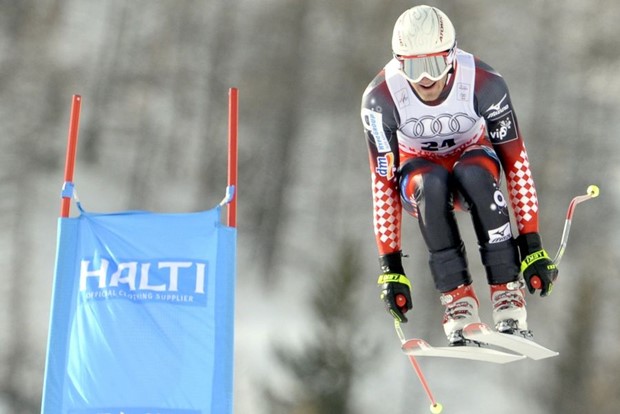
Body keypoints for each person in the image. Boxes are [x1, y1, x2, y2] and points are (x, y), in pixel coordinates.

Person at [360, 5, 558, 345]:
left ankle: (507, 294)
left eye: (434, 64)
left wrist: (531, 243)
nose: (424, 79)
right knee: (430, 183)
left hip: (472, 159)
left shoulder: (484, 83)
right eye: (412, 66)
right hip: (418, 173)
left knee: (475, 173)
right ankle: (458, 303)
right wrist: (390, 267)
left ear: (452, 57)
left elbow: (515, 162)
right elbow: (383, 185)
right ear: (397, 62)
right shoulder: (380, 99)